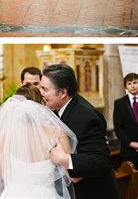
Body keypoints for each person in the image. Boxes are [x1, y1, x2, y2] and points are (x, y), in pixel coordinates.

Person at [0, 90, 77, 198]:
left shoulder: (7, 135)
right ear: (41, 105)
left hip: (14, 194)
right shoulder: (57, 133)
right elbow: (72, 175)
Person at [42, 63, 120, 199]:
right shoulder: (56, 109)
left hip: (93, 192)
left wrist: (66, 159)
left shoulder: (87, 117)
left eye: (45, 89)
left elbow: (101, 161)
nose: (41, 93)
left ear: (63, 93)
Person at [113, 72, 138, 169]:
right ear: (125, 87)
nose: (132, 86)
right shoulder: (119, 104)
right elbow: (118, 128)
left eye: (135, 82)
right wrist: (132, 144)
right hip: (128, 151)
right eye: (129, 83)